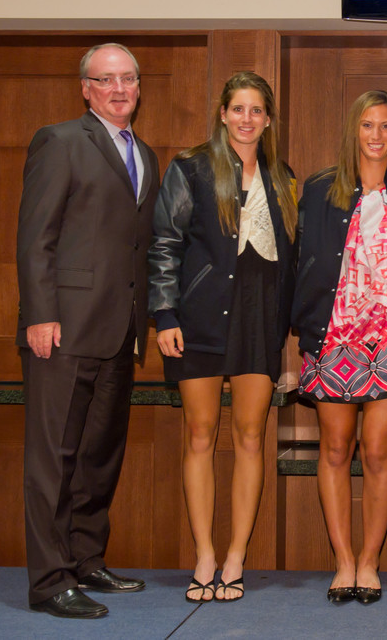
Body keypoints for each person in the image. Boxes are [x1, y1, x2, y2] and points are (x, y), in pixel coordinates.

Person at [16, 43, 159, 619]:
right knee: (54, 458)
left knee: (99, 455)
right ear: (86, 89)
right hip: (62, 330)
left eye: (127, 79)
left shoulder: (145, 154)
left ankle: (85, 559)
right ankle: (50, 581)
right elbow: (36, 237)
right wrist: (39, 314)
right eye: (106, 80)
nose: (119, 89)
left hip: (120, 330)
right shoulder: (59, 142)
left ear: (139, 86)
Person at [148, 72, 297, 603]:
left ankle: (235, 556)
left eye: (257, 110)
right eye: (238, 109)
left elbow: (295, 258)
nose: (246, 119)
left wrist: (292, 333)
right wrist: (165, 315)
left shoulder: (283, 177)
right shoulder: (190, 168)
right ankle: (205, 554)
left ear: (268, 119)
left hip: (260, 319)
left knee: (251, 437)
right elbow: (164, 243)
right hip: (200, 317)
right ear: (223, 114)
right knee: (199, 435)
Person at [292, 90, 387, 605]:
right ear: (355, 129)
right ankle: (343, 561)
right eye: (368, 125)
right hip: (334, 333)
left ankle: (370, 561)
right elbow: (301, 256)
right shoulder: (320, 188)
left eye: (386, 126)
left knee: (377, 450)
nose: (376, 135)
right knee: (334, 448)